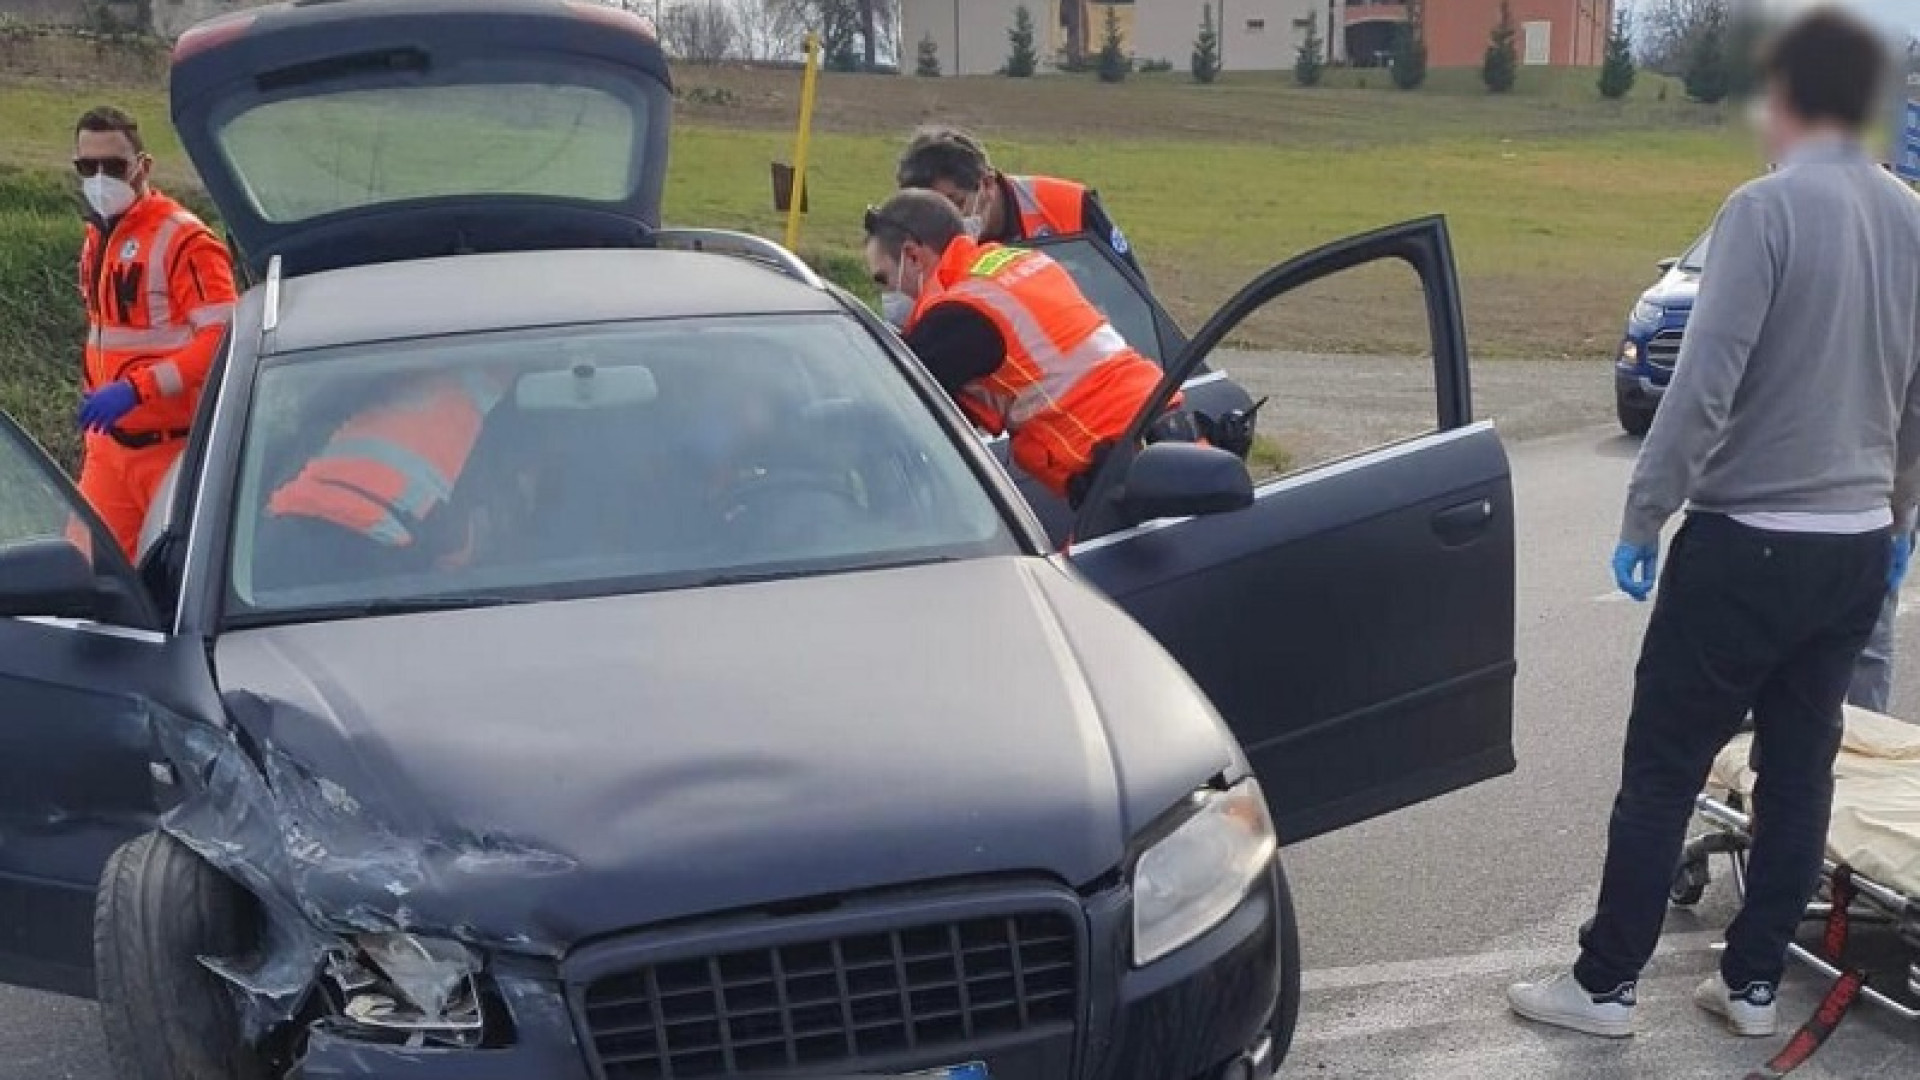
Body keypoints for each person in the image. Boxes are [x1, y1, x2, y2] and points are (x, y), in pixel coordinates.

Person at [1508, 10, 1920, 1041]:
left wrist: (1647, 514)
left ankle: (1603, 986)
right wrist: (1902, 511)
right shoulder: (1911, 219)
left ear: (1790, 98)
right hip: (1855, 546)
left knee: (1664, 766)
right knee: (1799, 767)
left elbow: (1701, 385)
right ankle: (1746, 986)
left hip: (1750, 539)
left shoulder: (1761, 212)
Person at [862, 188, 1182, 505]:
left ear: (912, 256)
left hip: (1118, 463)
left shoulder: (961, 313)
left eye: (884, 279)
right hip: (1163, 425)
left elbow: (888, 398)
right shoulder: (1018, 262)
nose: (889, 293)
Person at [72, 106, 237, 560]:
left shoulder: (186, 240)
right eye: (88, 167)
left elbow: (222, 341)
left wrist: (135, 389)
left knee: (173, 583)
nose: (100, 178)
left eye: (114, 166)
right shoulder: (97, 238)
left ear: (142, 166)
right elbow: (105, 334)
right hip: (109, 448)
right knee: (81, 576)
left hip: (172, 450)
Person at [256, 370, 511, 590]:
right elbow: (454, 549)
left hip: (286, 532)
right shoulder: (478, 425)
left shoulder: (369, 386)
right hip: (378, 557)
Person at [895, 126, 1143, 279]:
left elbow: (1130, 291)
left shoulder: (1071, 205)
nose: (946, 221)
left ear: (988, 184)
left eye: (956, 204)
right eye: (930, 210)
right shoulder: (916, 239)